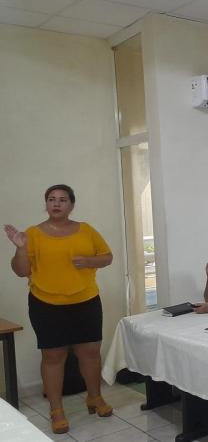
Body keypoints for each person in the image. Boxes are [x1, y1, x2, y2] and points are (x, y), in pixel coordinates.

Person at [4, 185, 114, 434]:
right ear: (46, 204)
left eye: (63, 200)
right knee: (53, 357)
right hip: (47, 304)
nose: (57, 204)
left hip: (86, 301)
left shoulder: (86, 230)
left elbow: (107, 257)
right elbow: (21, 271)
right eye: (52, 199)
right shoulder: (32, 234)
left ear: (71, 205)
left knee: (90, 352)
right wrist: (20, 247)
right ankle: (56, 410)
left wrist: (88, 261)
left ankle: (94, 398)